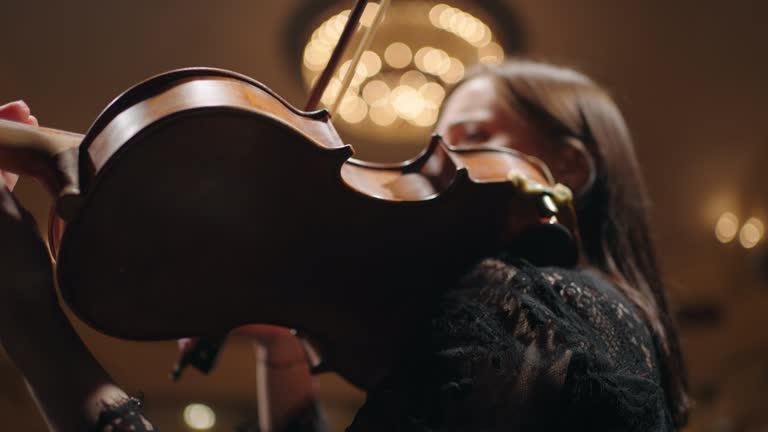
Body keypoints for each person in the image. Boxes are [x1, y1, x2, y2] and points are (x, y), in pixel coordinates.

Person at [0, 58, 690, 431]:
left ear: (566, 169)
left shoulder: (539, 312)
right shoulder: (602, 336)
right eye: (437, 146)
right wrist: (281, 346)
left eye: (471, 140)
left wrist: (30, 316)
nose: (440, 166)